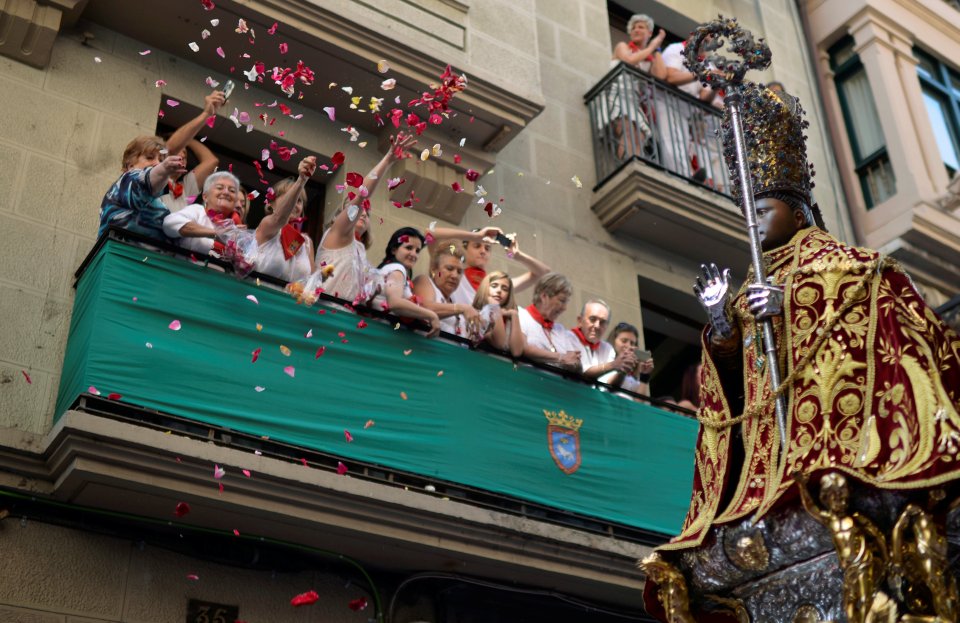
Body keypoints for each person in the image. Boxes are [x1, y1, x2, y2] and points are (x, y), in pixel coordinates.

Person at [644, 83, 960, 621]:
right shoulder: (751, 285)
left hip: (832, 451)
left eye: (764, 209)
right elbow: (735, 384)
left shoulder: (845, 265)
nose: (756, 222)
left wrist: (788, 306)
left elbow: (870, 309)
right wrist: (724, 325)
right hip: (767, 463)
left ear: (796, 208)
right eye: (751, 211)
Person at [315, 132, 416, 304]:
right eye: (358, 209)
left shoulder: (361, 254)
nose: (363, 213)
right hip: (322, 313)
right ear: (339, 217)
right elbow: (362, 196)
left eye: (367, 214)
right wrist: (388, 159)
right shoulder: (336, 233)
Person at [428, 227, 551, 309]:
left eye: (487, 248)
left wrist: (518, 255)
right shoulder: (451, 274)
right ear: (465, 249)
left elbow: (543, 273)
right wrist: (474, 236)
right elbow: (430, 234)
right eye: (477, 246)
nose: (483, 251)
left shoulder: (497, 286)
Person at [98, 137, 187, 242]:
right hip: (119, 255)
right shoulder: (126, 182)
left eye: (161, 160)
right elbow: (143, 180)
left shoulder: (156, 202)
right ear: (131, 165)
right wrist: (164, 168)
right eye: (150, 158)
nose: (157, 163)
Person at [608, 14, 667, 159]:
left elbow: (661, 76)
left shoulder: (648, 57)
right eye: (633, 28)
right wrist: (652, 45)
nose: (635, 30)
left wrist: (657, 50)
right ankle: (627, 165)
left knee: (639, 137)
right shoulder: (622, 47)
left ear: (649, 33)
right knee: (627, 131)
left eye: (640, 27)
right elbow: (629, 60)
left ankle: (637, 164)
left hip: (634, 101)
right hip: (617, 95)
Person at [159, 89, 225, 213]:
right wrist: (206, 113)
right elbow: (171, 148)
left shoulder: (185, 188)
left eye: (185, 154)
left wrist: (188, 140)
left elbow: (211, 161)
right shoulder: (157, 176)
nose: (183, 155)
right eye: (180, 151)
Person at [252, 157, 317, 282]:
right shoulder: (267, 226)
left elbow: (311, 282)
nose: (294, 204)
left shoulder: (307, 242)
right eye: (289, 197)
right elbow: (279, 218)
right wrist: (301, 180)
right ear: (270, 204)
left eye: (299, 201)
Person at [373, 227, 441, 337]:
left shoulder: (391, 268)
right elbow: (395, 303)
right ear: (394, 249)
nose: (413, 254)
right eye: (409, 248)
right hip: (382, 335)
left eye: (417, 250)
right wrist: (431, 315)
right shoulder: (397, 269)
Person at [161, 171, 242, 254]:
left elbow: (250, 259)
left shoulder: (239, 229)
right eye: (219, 188)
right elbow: (169, 224)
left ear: (235, 200)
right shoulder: (198, 211)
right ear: (205, 196)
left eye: (232, 191)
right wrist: (215, 234)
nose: (226, 192)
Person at [413, 242, 480, 339]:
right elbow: (424, 308)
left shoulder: (454, 301)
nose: (455, 276)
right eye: (449, 268)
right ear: (434, 270)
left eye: (459, 271)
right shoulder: (425, 281)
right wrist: (463, 308)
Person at [518, 273, 581, 369]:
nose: (565, 308)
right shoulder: (521, 315)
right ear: (544, 296)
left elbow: (571, 359)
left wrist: (575, 362)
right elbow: (522, 348)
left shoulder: (560, 329)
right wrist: (561, 357)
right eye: (562, 300)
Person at [472, 271, 525, 358]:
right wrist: (495, 307)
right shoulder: (477, 313)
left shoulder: (509, 317)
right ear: (485, 287)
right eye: (494, 286)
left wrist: (514, 315)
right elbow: (499, 343)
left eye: (505, 289)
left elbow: (517, 352)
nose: (499, 290)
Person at [599, 322, 653, 396]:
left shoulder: (633, 372)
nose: (629, 346)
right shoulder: (604, 360)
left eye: (632, 343)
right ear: (614, 340)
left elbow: (638, 401)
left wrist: (645, 376)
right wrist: (623, 370)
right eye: (624, 341)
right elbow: (609, 387)